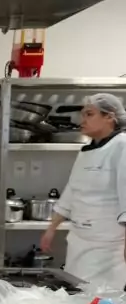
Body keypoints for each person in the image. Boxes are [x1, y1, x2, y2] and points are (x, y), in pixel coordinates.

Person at [41, 94, 126, 290]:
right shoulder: (85, 151)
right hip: (79, 239)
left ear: (109, 117)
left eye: (89, 114)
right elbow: (72, 190)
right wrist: (52, 228)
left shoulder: (122, 146)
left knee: (101, 297)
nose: (82, 120)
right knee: (77, 292)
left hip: (108, 245)